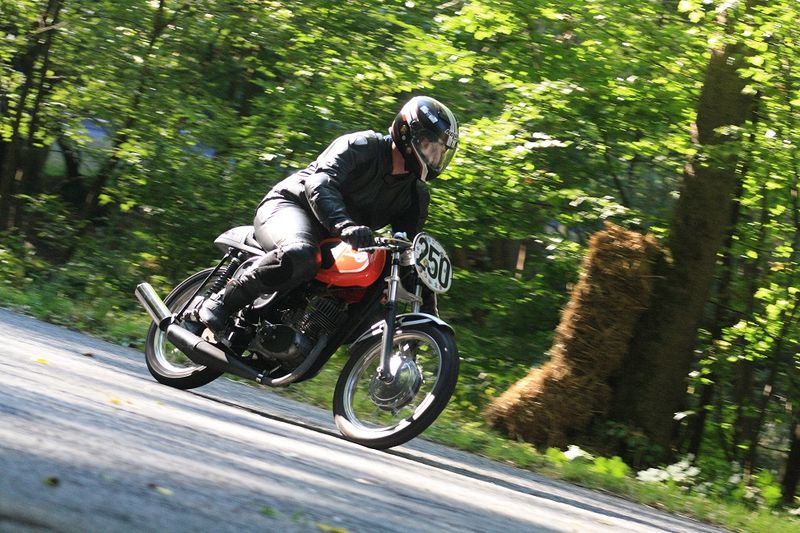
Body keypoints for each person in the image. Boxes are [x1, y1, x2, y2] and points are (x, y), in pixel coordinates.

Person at [195, 95, 459, 333]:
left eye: (441, 152)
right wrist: (344, 225)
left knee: (372, 299)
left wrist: (427, 312)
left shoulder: (415, 195)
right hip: (292, 207)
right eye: (430, 146)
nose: (435, 157)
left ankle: (300, 337)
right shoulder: (362, 145)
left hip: (338, 238)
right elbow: (319, 184)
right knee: (300, 254)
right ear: (407, 131)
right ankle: (222, 301)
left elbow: (407, 248)